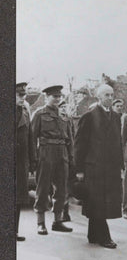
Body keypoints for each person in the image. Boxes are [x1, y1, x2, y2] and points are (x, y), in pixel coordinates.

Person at [74, 84, 123, 248]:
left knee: (101, 202)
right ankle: (104, 237)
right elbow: (80, 145)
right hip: (94, 167)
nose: (110, 98)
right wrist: (79, 170)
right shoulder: (89, 116)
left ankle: (93, 235)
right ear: (99, 97)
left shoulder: (116, 117)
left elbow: (118, 143)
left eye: (111, 95)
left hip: (110, 168)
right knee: (98, 201)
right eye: (107, 95)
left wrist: (121, 164)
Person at [31, 85, 73, 235]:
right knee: (43, 188)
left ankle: (57, 221)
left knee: (62, 189)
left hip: (62, 154)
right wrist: (33, 159)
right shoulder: (39, 114)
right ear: (46, 97)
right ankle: (40, 223)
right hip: (46, 152)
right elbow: (32, 138)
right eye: (54, 96)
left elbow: (70, 139)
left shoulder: (64, 115)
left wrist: (71, 158)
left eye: (59, 96)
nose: (57, 99)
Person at [16, 82, 35, 241]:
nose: (23, 98)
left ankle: (13, 232)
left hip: (21, 162)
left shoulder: (25, 113)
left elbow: (30, 138)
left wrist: (32, 162)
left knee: (18, 198)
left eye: (24, 95)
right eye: (20, 95)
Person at [58, 100, 76, 222]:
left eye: (65, 107)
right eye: (61, 107)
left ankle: (65, 212)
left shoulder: (69, 120)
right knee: (58, 186)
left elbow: (72, 137)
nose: (64, 109)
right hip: (55, 154)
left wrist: (72, 155)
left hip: (67, 153)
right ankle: (59, 212)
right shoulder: (56, 119)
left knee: (66, 185)